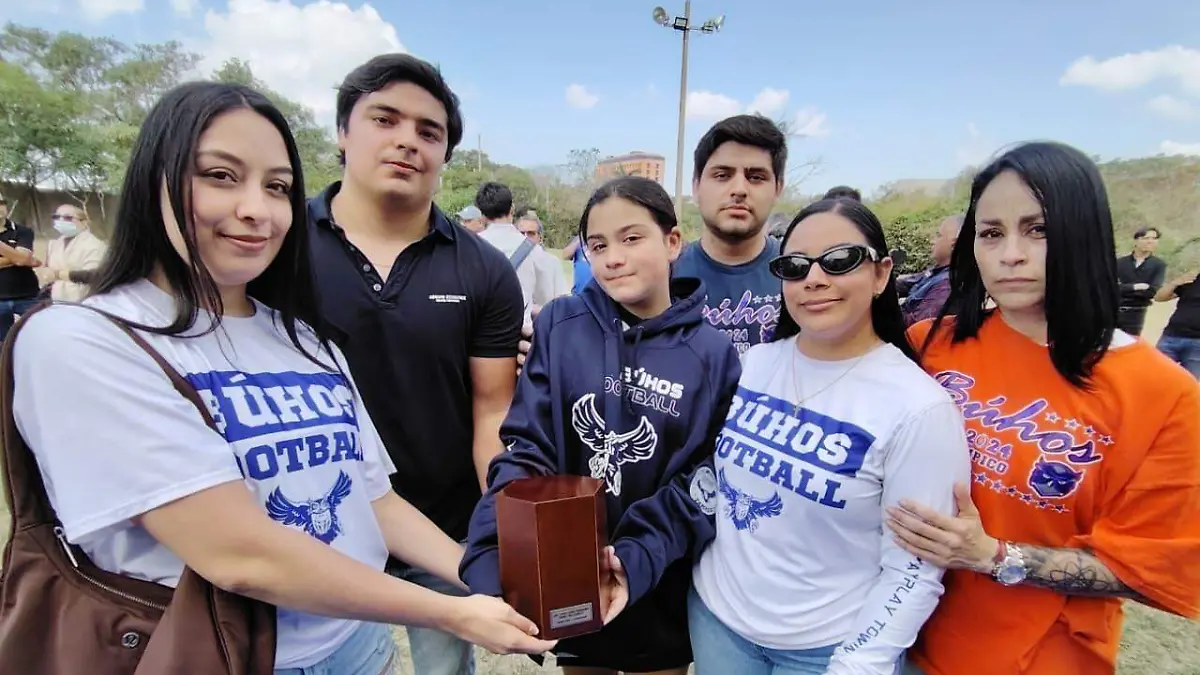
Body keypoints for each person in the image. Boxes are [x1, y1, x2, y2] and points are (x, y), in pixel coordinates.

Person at [11, 82, 554, 674]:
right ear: (154, 181)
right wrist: (450, 612)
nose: (256, 208)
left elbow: (374, 499)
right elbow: (240, 554)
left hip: (355, 649)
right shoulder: (86, 340)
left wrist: (480, 570)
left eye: (277, 187)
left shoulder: (302, 341)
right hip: (216, 653)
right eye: (220, 176)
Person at [891, 141, 1200, 675]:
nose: (1011, 253)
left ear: (1085, 234)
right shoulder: (929, 344)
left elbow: (1153, 572)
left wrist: (993, 555)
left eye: (1038, 230)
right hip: (897, 637)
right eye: (991, 233)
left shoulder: (1164, 395)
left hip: (1035, 658)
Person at [461, 177, 742, 675]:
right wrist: (494, 549)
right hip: (568, 579)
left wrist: (634, 558)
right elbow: (528, 444)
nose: (613, 257)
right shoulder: (562, 324)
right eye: (598, 245)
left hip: (656, 584)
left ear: (672, 242)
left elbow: (704, 480)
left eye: (632, 238)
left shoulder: (713, 355)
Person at [307, 53, 527, 675]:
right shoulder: (281, 249)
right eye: (385, 119)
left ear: (445, 155)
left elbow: (493, 407)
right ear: (344, 132)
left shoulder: (482, 268)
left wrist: (499, 520)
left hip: (444, 525)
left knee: (445, 666)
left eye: (428, 132)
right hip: (319, 521)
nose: (407, 140)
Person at [689, 198, 970, 675]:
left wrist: (860, 661)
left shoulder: (920, 409)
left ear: (881, 274)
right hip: (718, 623)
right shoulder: (757, 363)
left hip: (825, 650)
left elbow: (915, 570)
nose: (814, 279)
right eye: (794, 267)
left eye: (839, 261)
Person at [475, 182, 565, 323]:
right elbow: (549, 297)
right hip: (522, 332)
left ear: (482, 214)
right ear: (512, 209)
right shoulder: (533, 250)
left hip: (481, 334)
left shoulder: (470, 248)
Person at [897, 215, 962, 326]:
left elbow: (915, 326)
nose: (932, 241)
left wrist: (885, 306)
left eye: (939, 236)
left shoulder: (947, 285)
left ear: (954, 244)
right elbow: (905, 283)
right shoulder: (936, 272)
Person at [40, 203, 108, 302]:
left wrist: (58, 274)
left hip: (84, 301)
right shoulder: (54, 244)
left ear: (84, 222)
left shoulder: (94, 245)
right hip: (57, 300)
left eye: (68, 218)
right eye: (57, 217)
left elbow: (94, 275)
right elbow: (47, 268)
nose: (61, 220)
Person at [0, 193, 41, 340]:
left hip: (28, 295)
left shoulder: (22, 231)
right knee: (3, 344)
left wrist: (23, 259)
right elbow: (23, 259)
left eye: (1, 202)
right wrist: (19, 258)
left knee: (38, 335)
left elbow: (23, 259)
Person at [1115, 227, 1166, 336]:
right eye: (1146, 238)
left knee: (1129, 347)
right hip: (1112, 310)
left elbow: (1152, 291)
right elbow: (1110, 288)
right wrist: (1135, 287)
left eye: (1154, 238)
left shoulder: (1158, 265)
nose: (1150, 241)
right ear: (1136, 240)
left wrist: (1124, 288)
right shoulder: (1120, 263)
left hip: (1136, 313)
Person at [1154, 265, 1200, 378]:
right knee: (1155, 375)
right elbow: (1159, 297)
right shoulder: (1192, 281)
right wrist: (1177, 282)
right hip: (1171, 337)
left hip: (1197, 343)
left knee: (1191, 384)